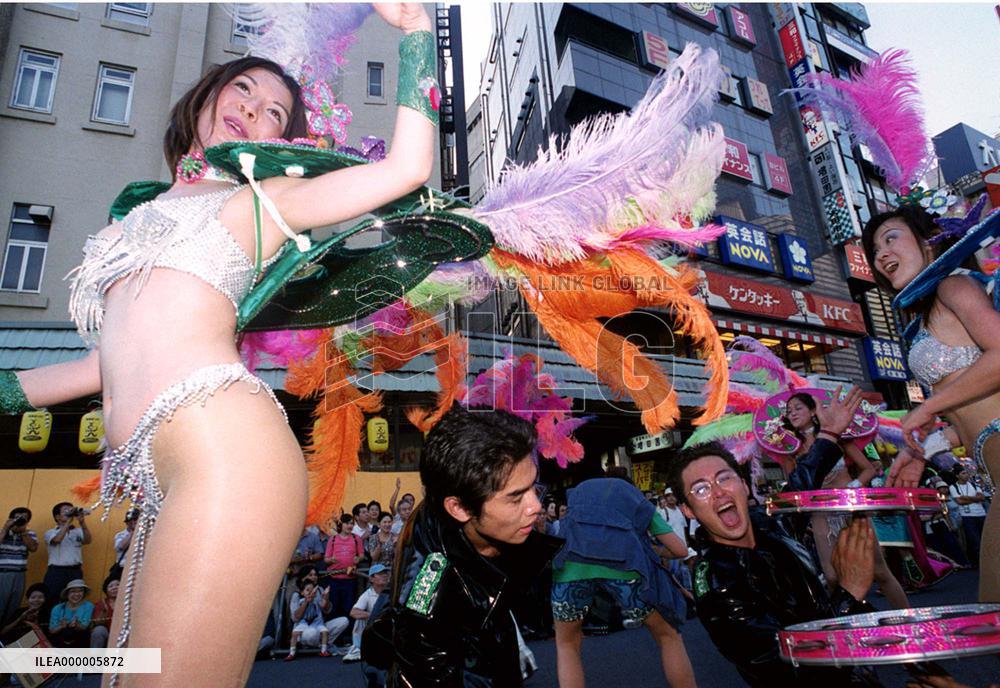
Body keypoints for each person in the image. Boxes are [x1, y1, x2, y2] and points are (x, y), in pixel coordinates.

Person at [0, 4, 439, 682]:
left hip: (227, 454)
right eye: (246, 90)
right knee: (123, 668)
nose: (258, 111)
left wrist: (415, 34)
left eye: (276, 114)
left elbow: (407, 168)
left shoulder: (260, 206)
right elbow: (102, 362)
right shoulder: (138, 214)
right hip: (156, 480)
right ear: (205, 95)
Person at [668, 386, 885, 687]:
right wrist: (848, 596)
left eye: (724, 478)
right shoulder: (717, 583)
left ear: (745, 487)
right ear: (688, 510)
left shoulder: (770, 525)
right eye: (701, 489)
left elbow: (801, 481)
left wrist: (830, 433)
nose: (718, 492)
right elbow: (786, 666)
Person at [362, 404, 562, 686]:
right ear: (458, 508)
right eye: (516, 498)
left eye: (534, 487)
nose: (536, 506)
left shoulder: (454, 501)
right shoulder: (427, 606)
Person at [863, 204, 1000, 600]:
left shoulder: (952, 286)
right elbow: (978, 414)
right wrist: (927, 449)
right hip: (991, 471)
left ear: (928, 243)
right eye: (874, 250)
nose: (881, 255)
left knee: (992, 612)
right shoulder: (923, 318)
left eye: (891, 238)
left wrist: (925, 408)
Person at [551, 470, 695, 688]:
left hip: (571, 568)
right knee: (668, 636)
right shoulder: (632, 497)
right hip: (625, 568)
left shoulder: (579, 493)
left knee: (567, 644)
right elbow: (680, 549)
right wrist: (654, 550)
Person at [783, 393, 910, 609]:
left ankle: (908, 619)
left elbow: (869, 469)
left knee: (879, 570)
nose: (791, 413)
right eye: (788, 411)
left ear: (814, 411)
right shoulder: (791, 451)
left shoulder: (838, 438)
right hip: (820, 515)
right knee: (832, 577)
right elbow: (794, 489)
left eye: (797, 408)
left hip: (850, 509)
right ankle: (852, 622)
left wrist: (852, 487)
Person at [43, 502, 91, 604]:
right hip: (57, 571)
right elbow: (57, 540)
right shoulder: (50, 532)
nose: (69, 512)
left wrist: (82, 523)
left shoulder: (77, 531)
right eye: (65, 510)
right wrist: (67, 523)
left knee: (75, 599)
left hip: (75, 570)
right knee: (52, 598)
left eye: (70, 509)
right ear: (57, 517)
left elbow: (87, 540)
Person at [343, 562, 390, 663]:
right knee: (360, 620)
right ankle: (357, 649)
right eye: (380, 574)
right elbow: (353, 612)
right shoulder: (367, 595)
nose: (385, 575)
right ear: (372, 578)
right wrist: (373, 616)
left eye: (385, 573)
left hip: (390, 627)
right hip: (375, 628)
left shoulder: (393, 592)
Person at [0, 507, 38, 627]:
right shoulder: (2, 532)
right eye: (17, 518)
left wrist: (23, 532)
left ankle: (5, 636)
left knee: (13, 607)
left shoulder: (30, 534)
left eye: (23, 519)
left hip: (20, 573)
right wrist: (6, 528)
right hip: (3, 573)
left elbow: (33, 548)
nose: (20, 521)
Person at [325, 513, 364, 623]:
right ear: (341, 525)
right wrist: (331, 560)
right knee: (334, 607)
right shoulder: (332, 540)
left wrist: (358, 559)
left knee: (349, 607)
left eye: (352, 523)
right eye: (347, 523)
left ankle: (349, 635)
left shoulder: (357, 539)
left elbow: (361, 555)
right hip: (334, 579)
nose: (350, 526)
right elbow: (326, 559)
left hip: (350, 579)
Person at [285, 576, 334, 660]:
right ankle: (292, 652)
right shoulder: (301, 601)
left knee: (325, 631)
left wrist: (326, 595)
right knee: (295, 633)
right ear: (302, 592)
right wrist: (306, 602)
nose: (310, 593)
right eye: (307, 590)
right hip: (304, 623)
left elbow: (324, 605)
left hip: (317, 623)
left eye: (312, 591)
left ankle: (323, 650)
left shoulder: (317, 600)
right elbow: (296, 615)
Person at [949, 467, 988, 565]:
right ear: (957, 475)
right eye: (963, 473)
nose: (966, 475)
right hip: (967, 516)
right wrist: (975, 498)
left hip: (981, 514)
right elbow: (960, 501)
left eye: (966, 473)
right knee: (975, 541)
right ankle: (982, 563)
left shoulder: (974, 485)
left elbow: (982, 497)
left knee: (985, 538)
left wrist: (966, 497)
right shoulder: (953, 487)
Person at [49, 579, 95, 649]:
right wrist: (61, 626)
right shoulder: (58, 608)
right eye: (73, 591)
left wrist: (77, 624)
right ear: (67, 594)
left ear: (84, 593)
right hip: (61, 639)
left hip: (80, 639)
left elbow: (84, 626)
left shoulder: (88, 606)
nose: (77, 594)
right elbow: (52, 630)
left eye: (80, 591)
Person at [90, 576, 120, 648]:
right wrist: (104, 612)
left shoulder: (129, 602)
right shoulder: (101, 603)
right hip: (107, 632)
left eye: (117, 585)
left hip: (122, 633)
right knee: (99, 631)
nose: (114, 588)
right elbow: (97, 623)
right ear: (106, 591)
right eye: (111, 586)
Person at [111, 508, 138, 579]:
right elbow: (120, 547)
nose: (133, 522)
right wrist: (133, 532)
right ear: (126, 522)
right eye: (130, 520)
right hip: (123, 567)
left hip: (138, 568)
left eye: (135, 519)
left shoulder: (145, 534)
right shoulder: (120, 535)